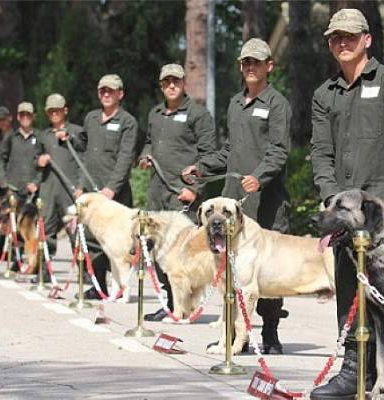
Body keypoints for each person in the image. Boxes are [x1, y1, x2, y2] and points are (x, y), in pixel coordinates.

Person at [309, 9, 384, 400]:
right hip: (345, 214)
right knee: (349, 289)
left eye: (350, 36)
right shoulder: (324, 95)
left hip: (383, 218)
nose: (343, 43)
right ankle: (353, 371)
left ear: (367, 39)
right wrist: (330, 197)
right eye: (335, 37)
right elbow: (320, 152)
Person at [182, 38, 291, 354]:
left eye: (256, 62)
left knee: (265, 273)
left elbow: (279, 151)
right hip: (232, 205)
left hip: (266, 202)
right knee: (228, 272)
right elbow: (229, 150)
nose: (251, 67)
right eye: (246, 62)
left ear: (269, 66)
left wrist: (260, 176)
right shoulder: (233, 104)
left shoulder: (278, 104)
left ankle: (270, 334)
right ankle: (231, 336)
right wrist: (201, 167)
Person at [137, 63, 217, 321]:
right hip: (157, 193)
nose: (171, 85)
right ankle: (170, 303)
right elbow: (149, 142)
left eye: (176, 81)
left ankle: (184, 304)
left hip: (182, 195)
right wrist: (145, 156)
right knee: (159, 251)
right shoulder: (156, 113)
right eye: (166, 82)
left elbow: (209, 155)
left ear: (184, 84)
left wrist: (194, 189)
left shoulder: (198, 114)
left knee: (183, 253)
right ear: (161, 86)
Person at [75, 74, 138, 300]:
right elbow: (84, 153)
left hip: (115, 196)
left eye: (111, 90)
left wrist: (112, 188)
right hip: (91, 195)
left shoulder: (128, 122)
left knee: (118, 245)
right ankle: (98, 286)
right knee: (92, 242)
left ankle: (121, 287)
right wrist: (81, 185)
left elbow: (125, 158)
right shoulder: (91, 118)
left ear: (120, 94)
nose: (106, 94)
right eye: (102, 90)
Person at [35, 93, 87, 281]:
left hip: (70, 189)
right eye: (51, 111)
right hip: (49, 189)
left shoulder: (77, 131)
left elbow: (85, 157)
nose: (54, 114)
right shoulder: (43, 136)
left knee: (76, 231)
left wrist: (82, 186)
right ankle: (44, 270)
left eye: (57, 110)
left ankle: (86, 272)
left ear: (65, 110)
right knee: (46, 230)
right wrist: (39, 161)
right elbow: (35, 159)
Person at [0, 102, 42, 200]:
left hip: (33, 192)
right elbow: (1, 160)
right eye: (22, 115)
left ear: (33, 116)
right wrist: (4, 183)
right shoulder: (10, 137)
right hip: (13, 191)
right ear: (18, 117)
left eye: (28, 114)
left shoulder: (40, 137)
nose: (25, 117)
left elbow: (44, 165)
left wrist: (37, 183)